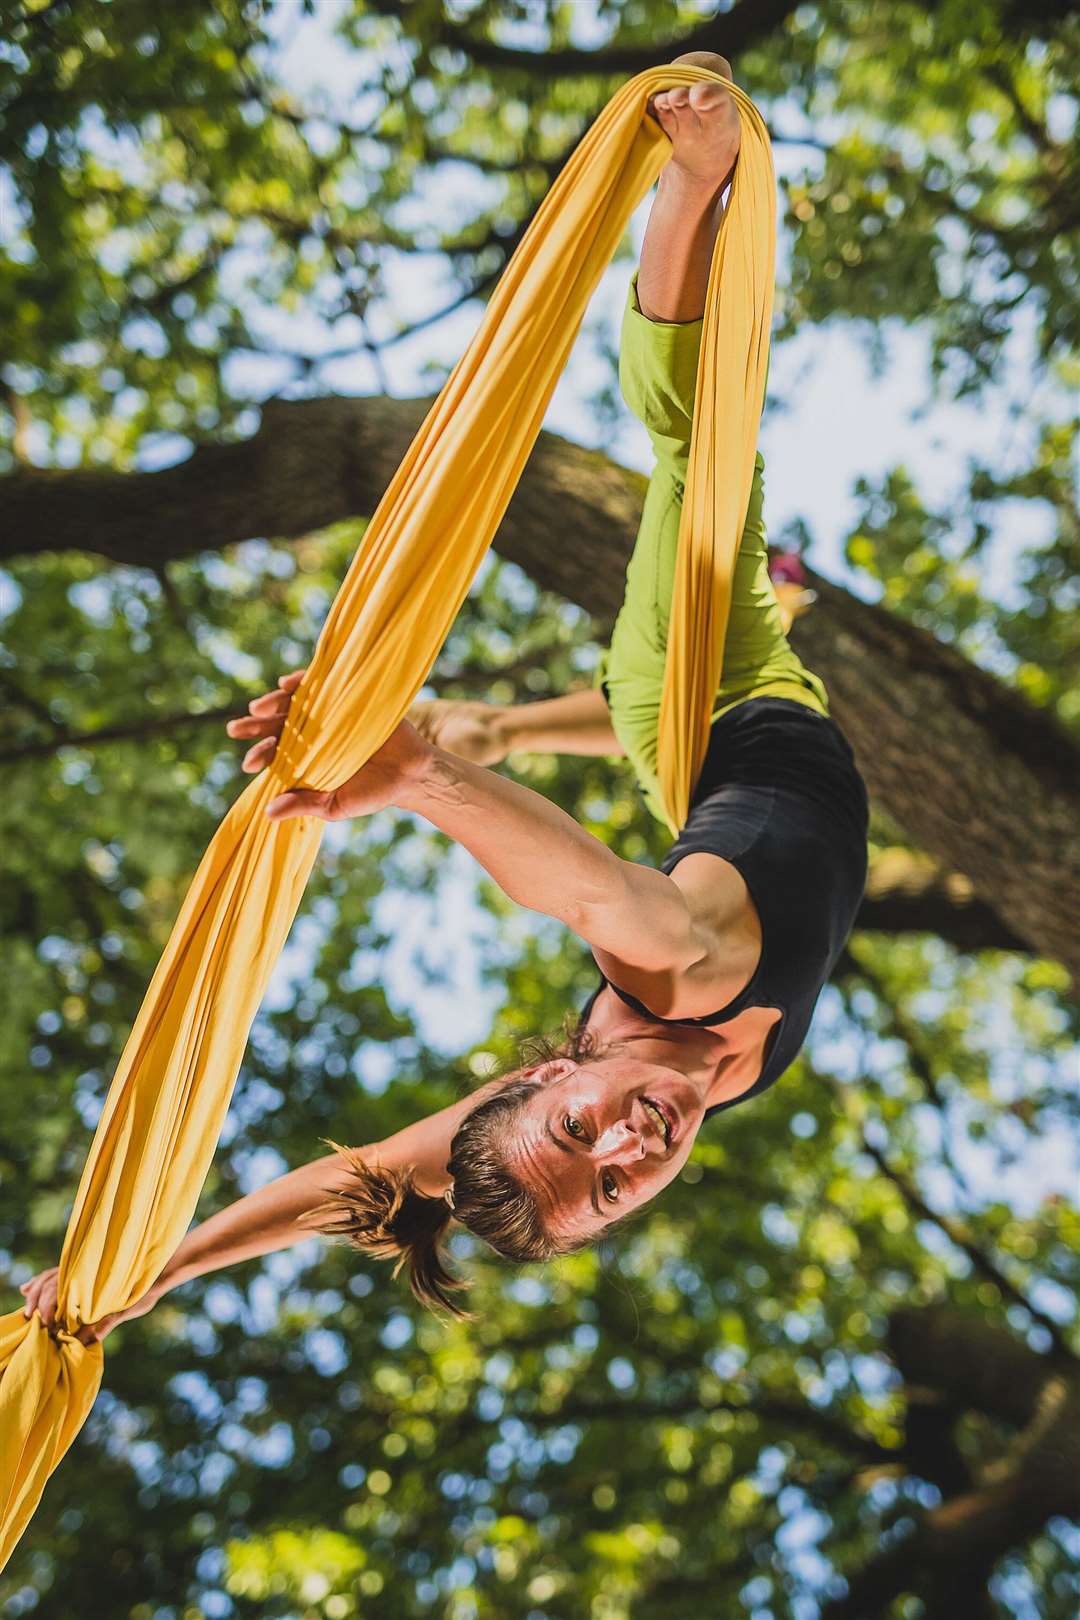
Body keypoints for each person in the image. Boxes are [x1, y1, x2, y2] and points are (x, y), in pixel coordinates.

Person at [20, 55, 867, 1336]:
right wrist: (151, 1282)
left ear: (548, 1071)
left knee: (705, 450)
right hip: (711, 758)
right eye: (616, 1191)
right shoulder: (589, 1109)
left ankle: (690, 191)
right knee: (704, 480)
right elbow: (348, 1186)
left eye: (576, 1134)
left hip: (712, 700)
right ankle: (522, 721)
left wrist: (425, 777)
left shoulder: (665, 979)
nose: (623, 1147)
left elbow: (601, 895)